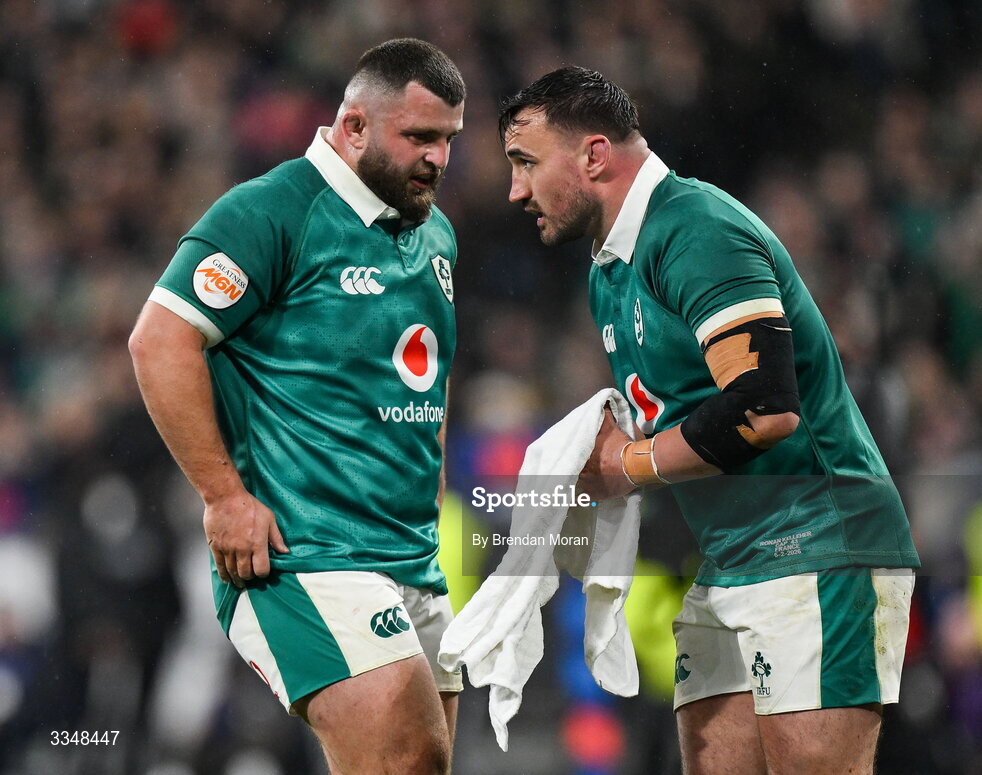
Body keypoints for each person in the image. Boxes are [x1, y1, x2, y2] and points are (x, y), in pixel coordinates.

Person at [499, 66, 920, 775]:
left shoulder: (694, 228)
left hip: (818, 546)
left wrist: (625, 466)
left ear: (594, 155)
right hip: (732, 558)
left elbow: (764, 405)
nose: (515, 190)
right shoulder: (610, 267)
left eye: (526, 163)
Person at [129, 39, 465, 775]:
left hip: (410, 557)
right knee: (405, 758)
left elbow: (422, 373)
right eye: (418, 137)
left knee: (423, 763)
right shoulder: (271, 211)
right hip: (301, 555)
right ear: (352, 126)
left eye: (447, 139)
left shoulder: (435, 233)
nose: (438, 157)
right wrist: (222, 496)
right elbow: (160, 341)